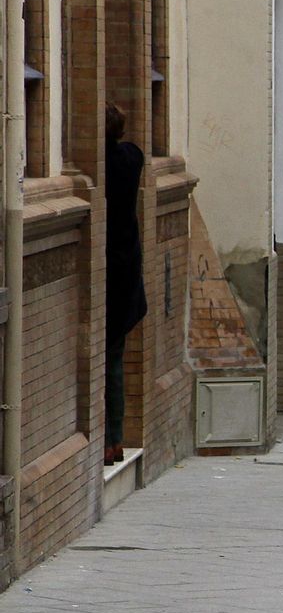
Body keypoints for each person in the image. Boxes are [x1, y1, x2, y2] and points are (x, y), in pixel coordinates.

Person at [104, 104, 147, 466]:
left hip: (108, 269)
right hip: (128, 267)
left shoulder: (102, 167)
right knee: (114, 355)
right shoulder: (131, 158)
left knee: (107, 357)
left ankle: (108, 439)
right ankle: (114, 440)